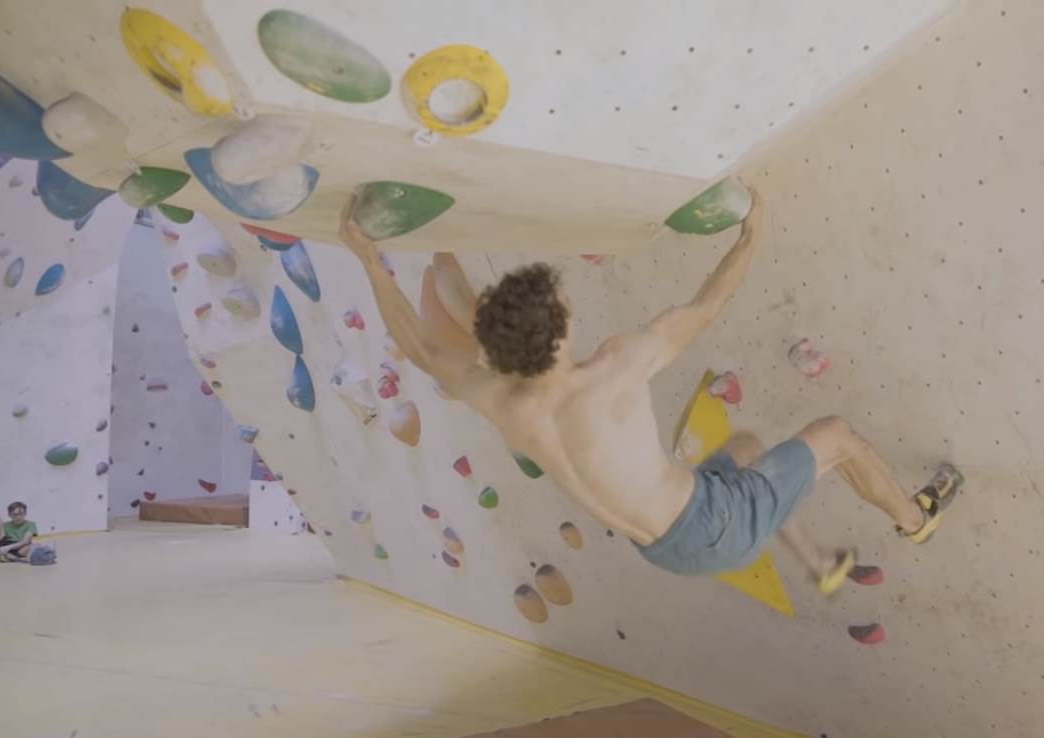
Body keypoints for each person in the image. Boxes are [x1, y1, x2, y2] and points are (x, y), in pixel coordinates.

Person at [340, 190, 962, 594]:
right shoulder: (615, 368)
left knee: (745, 446)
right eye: (562, 302)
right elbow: (705, 307)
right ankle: (918, 520)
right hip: (713, 524)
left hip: (665, 551)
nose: (566, 300)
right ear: (560, 331)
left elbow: (422, 349)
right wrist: (750, 237)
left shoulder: (499, 397)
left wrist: (371, 263)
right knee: (837, 436)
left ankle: (815, 557)